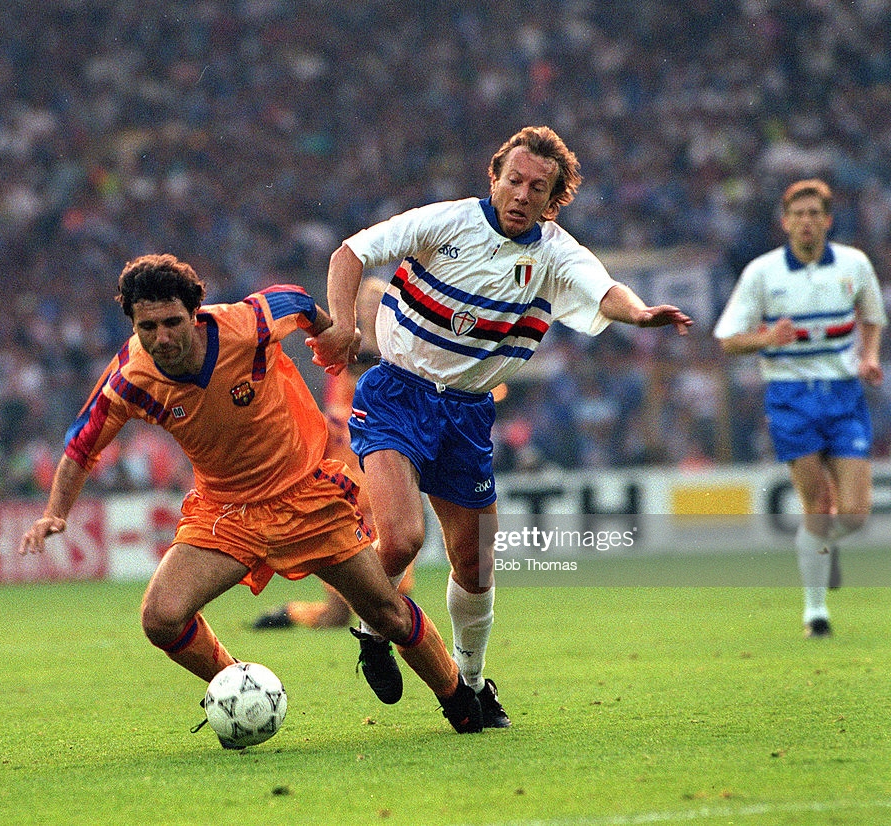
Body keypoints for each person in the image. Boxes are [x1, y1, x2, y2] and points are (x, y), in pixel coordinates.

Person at [306, 126, 693, 727]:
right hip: (396, 393)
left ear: (553, 200)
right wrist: (342, 323)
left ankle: (473, 683)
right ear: (495, 177)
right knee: (401, 538)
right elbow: (349, 254)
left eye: (537, 188)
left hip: (467, 413)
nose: (521, 194)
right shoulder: (446, 221)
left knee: (476, 563)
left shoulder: (556, 254)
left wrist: (639, 314)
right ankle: (373, 632)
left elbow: (604, 291)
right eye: (514, 180)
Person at [18, 253, 485, 736]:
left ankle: (461, 698)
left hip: (306, 500)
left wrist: (330, 334)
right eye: (147, 327)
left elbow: (294, 300)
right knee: (161, 617)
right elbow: (82, 444)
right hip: (225, 514)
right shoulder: (130, 378)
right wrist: (55, 512)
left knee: (388, 613)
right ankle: (240, 689)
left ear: (195, 313)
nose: (162, 338)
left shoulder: (245, 326)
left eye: (172, 322)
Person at [714, 179, 886, 638]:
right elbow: (728, 339)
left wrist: (869, 357)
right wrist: (767, 337)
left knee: (853, 515)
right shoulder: (762, 273)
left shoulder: (854, 264)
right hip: (790, 398)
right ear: (785, 222)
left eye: (814, 214)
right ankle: (816, 614)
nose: (806, 221)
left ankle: (824, 548)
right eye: (798, 214)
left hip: (844, 395)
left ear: (827, 221)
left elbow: (872, 317)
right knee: (818, 505)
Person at [251, 278, 417, 631]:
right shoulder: (348, 349)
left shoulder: (399, 350)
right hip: (348, 484)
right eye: (365, 303)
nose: (370, 309)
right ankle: (289, 613)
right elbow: (339, 389)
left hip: (384, 481)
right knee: (341, 612)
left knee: (390, 595)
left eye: (377, 303)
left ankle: (304, 615)